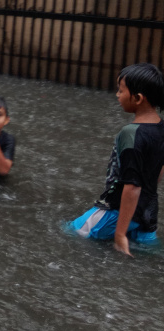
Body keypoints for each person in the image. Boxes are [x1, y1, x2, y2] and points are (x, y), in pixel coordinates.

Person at [70, 63, 164, 256]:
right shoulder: (162, 128)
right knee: (149, 253)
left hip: (118, 209)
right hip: (149, 208)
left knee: (70, 233)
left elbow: (132, 186)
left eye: (121, 91)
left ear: (138, 98)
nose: (117, 95)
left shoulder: (130, 134)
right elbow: (158, 170)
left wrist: (120, 234)